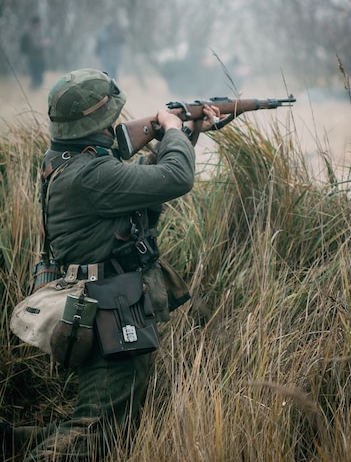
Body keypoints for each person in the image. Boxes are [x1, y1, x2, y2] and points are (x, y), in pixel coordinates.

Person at [4, 68, 221, 461]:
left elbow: (143, 184)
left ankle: (9, 441)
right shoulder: (91, 174)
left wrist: (190, 130)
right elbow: (176, 177)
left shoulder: (69, 159)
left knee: (103, 423)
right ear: (99, 123)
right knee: (96, 435)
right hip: (111, 311)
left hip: (106, 303)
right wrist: (171, 127)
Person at [19, 15, 49, 89]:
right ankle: (32, 93)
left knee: (38, 79)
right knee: (36, 79)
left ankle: (34, 93)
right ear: (35, 23)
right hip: (34, 59)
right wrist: (44, 44)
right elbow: (34, 46)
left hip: (37, 59)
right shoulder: (30, 33)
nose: (40, 25)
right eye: (39, 23)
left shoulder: (35, 31)